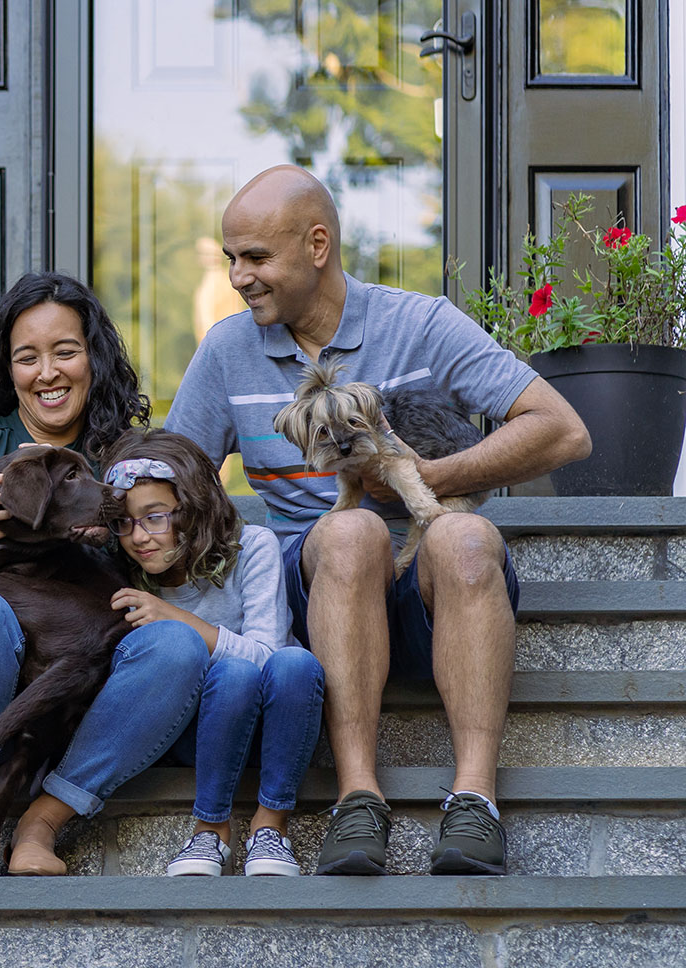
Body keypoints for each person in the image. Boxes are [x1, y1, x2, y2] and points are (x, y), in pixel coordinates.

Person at [165, 165, 591, 876]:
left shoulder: (419, 324)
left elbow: (562, 431)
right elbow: (175, 481)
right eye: (231, 258)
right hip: (326, 586)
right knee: (350, 532)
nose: (239, 276)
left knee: (464, 535)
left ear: (318, 245)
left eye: (257, 258)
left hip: (435, 596)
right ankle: (357, 799)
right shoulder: (227, 351)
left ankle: (475, 800)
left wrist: (424, 478)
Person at [0, 272, 209, 878]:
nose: (48, 373)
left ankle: (41, 825)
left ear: (93, 356)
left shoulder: (130, 456)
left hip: (83, 702)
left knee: (175, 644)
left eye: (65, 351)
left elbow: (173, 573)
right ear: (6, 367)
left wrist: (116, 546)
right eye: (27, 357)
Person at [100, 428, 323, 877]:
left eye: (155, 516)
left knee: (295, 662)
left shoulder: (251, 546)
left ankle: (271, 826)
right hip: (190, 733)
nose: (139, 536)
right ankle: (209, 830)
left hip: (275, 725)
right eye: (123, 522)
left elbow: (268, 654)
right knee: (233, 675)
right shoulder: (121, 574)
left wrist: (179, 619)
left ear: (194, 506)